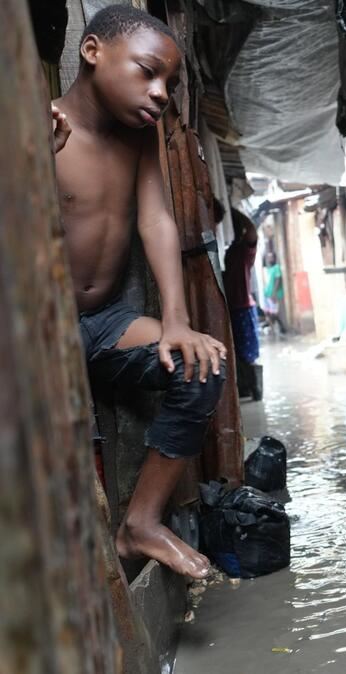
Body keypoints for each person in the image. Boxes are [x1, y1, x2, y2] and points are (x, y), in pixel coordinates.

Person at [52, 6, 225, 579]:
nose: (160, 94)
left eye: (169, 83)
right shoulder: (39, 128)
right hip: (32, 332)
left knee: (200, 367)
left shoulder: (140, 136)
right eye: (148, 72)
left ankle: (140, 524)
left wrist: (176, 320)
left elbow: (155, 220)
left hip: (102, 321)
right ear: (92, 51)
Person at [223, 209, 261, 400]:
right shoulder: (229, 252)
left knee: (247, 352)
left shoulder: (244, 251)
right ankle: (246, 388)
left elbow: (252, 231)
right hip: (232, 307)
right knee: (237, 351)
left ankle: (254, 388)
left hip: (243, 307)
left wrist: (233, 210)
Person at [262, 251, 287, 335]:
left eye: (271, 257)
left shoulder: (276, 268)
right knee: (269, 312)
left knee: (274, 313)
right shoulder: (269, 269)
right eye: (268, 257)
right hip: (267, 294)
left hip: (274, 294)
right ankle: (273, 328)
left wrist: (274, 293)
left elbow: (278, 280)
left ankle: (281, 327)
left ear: (274, 258)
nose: (269, 259)